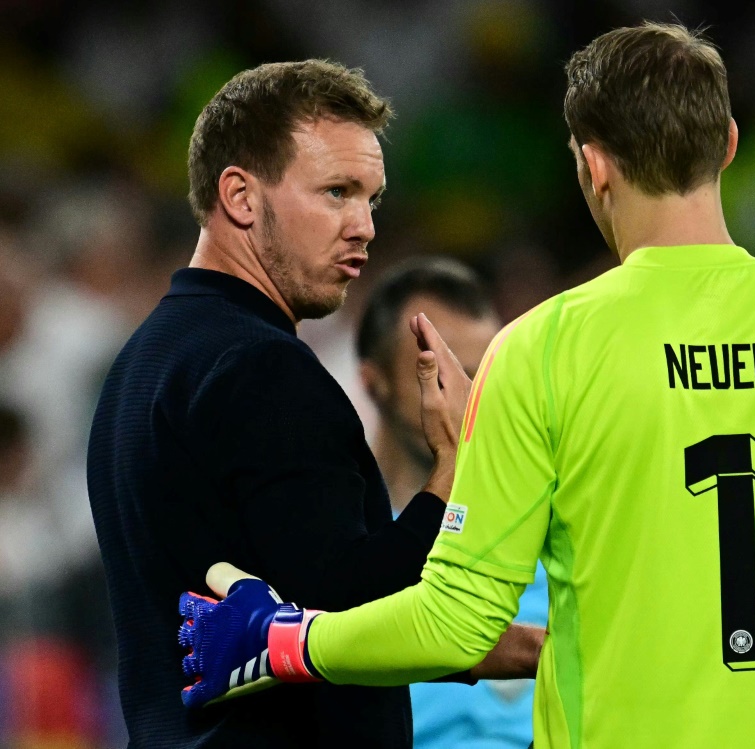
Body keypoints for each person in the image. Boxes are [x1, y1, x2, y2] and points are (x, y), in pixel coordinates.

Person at [181, 24, 755, 748]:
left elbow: (459, 623)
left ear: (592, 165)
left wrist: (284, 642)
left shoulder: (544, 349)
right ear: (730, 145)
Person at [87, 60, 542, 749]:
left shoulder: (144, 359)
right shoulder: (262, 368)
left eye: (372, 199)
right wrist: (452, 466)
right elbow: (350, 610)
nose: (363, 226)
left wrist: (499, 652)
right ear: (240, 195)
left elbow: (287, 612)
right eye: (336, 192)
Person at [357, 258, 548, 748]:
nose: (471, 397)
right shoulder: (347, 555)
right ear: (374, 383)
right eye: (442, 374)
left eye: (485, 373)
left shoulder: (552, 535)